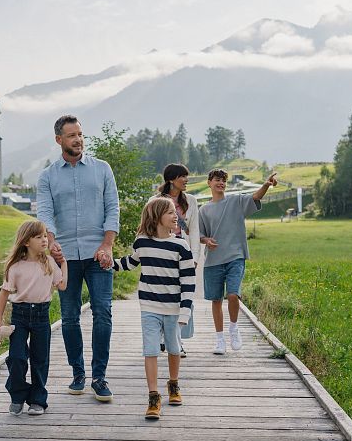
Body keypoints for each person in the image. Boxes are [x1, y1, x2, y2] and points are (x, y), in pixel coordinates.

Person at [36, 115, 120, 402]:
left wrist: (107, 245)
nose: (78, 140)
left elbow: (113, 208)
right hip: (65, 258)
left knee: (102, 312)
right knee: (69, 317)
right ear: (59, 139)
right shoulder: (48, 176)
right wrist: (52, 240)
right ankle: (78, 373)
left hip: (99, 254)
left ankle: (99, 377)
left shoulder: (102, 169)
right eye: (71, 135)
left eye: (80, 134)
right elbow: (45, 212)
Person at [112, 197, 194, 419]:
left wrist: (185, 311)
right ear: (157, 216)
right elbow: (129, 262)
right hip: (149, 306)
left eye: (175, 212)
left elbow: (188, 281)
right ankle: (153, 396)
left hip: (174, 308)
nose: (175, 216)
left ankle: (174, 384)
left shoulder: (181, 246)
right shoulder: (142, 243)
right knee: (150, 350)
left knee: (174, 349)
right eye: (169, 212)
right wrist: (109, 262)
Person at [0, 220, 68, 416]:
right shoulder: (15, 267)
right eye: (39, 237)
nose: (44, 240)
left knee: (40, 360)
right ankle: (18, 395)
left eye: (45, 236)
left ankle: (37, 401)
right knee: (17, 357)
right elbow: (3, 295)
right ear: (26, 242)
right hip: (20, 316)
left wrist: (64, 263)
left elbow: (62, 286)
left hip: (42, 316)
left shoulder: (49, 263)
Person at [199, 169, 277, 354]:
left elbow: (256, 197)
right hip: (213, 261)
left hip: (236, 256)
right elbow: (200, 234)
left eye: (224, 181)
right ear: (209, 182)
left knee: (233, 295)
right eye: (217, 180)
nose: (221, 183)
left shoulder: (236, 201)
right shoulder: (204, 209)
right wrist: (205, 240)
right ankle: (219, 340)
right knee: (216, 300)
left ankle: (233, 328)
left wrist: (266, 185)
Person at [152, 163, 200, 357]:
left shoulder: (191, 201)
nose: (186, 180)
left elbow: (194, 230)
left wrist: (195, 256)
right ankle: (164, 338)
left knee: (183, 296)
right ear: (172, 179)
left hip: (183, 252)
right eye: (183, 176)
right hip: (162, 253)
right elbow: (150, 227)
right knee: (164, 295)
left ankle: (177, 342)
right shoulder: (155, 200)